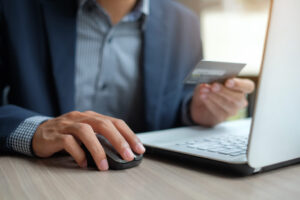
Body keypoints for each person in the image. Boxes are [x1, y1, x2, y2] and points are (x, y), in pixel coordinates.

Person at [0, 0, 255, 171]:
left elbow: (176, 104)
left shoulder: (183, 22)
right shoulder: (15, 10)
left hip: (146, 182)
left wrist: (195, 110)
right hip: (45, 178)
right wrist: (36, 129)